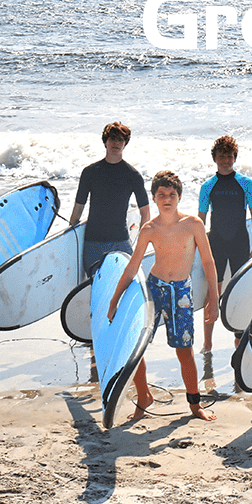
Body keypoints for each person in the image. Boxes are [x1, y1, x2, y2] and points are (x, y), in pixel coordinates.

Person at [107, 171, 218, 423]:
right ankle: (144, 396)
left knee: (184, 350)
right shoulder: (149, 228)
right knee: (136, 347)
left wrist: (214, 298)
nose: (167, 199)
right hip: (154, 288)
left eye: (171, 194)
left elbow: (208, 262)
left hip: (181, 293)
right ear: (154, 198)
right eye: (161, 195)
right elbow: (133, 266)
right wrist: (114, 299)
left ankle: (195, 404)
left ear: (179, 197)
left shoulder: (193, 224)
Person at [197, 135, 252, 351]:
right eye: (221, 156)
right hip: (216, 243)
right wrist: (200, 246)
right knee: (212, 292)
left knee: (241, 291)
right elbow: (200, 220)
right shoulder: (208, 186)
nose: (225, 161)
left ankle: (239, 338)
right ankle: (207, 342)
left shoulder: (246, 183)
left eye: (229, 156)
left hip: (240, 242)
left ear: (235, 158)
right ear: (214, 158)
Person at [68, 122, 150, 276]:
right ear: (105, 141)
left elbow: (145, 213)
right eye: (112, 139)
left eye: (120, 140)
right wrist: (69, 236)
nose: (116, 144)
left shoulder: (133, 175)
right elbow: (78, 208)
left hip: (120, 241)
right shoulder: (90, 172)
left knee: (126, 285)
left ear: (125, 144)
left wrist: (141, 245)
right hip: (93, 242)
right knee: (97, 285)